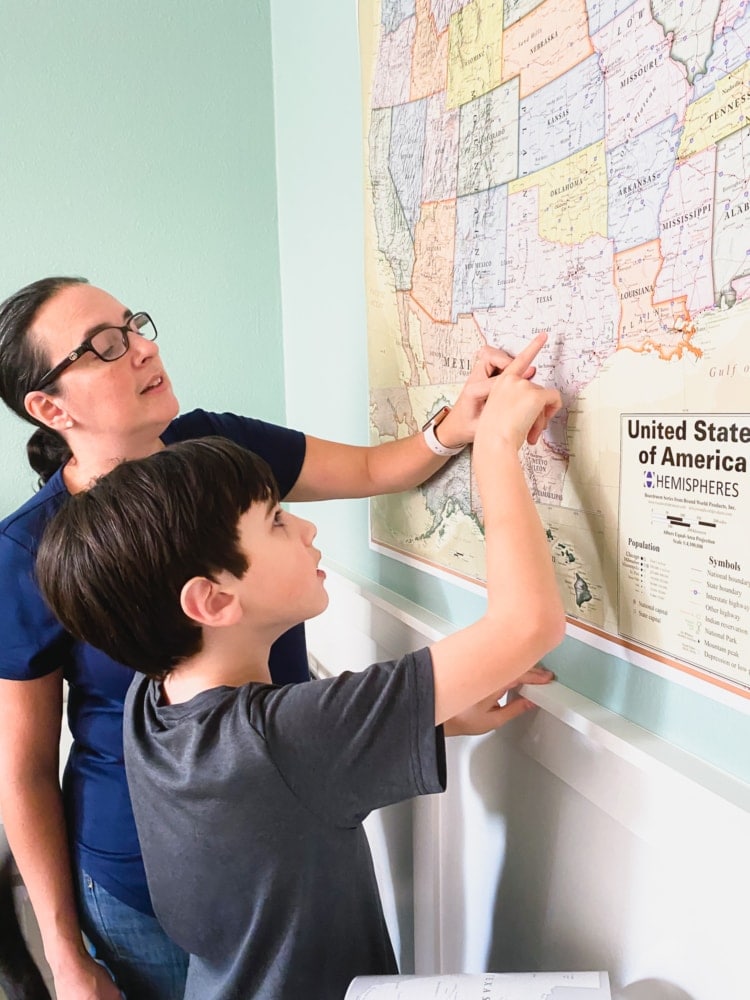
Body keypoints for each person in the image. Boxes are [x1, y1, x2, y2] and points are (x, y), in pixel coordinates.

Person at [0, 275, 550, 1000]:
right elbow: (27, 768)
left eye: (133, 324)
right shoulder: (28, 552)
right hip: (143, 884)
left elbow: (281, 738)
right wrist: (498, 451)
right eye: (105, 346)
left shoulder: (154, 707)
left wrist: (454, 430)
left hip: (235, 866)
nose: (143, 347)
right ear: (48, 407)